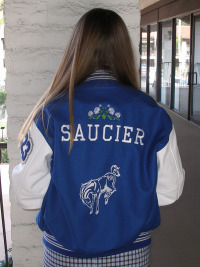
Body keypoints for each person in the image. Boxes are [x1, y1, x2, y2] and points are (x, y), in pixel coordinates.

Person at [12, 8, 185, 267]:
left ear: (76, 50)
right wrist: (130, 201)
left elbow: (26, 194)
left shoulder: (52, 112)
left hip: (64, 254)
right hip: (131, 253)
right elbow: (170, 190)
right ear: (125, 50)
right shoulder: (151, 114)